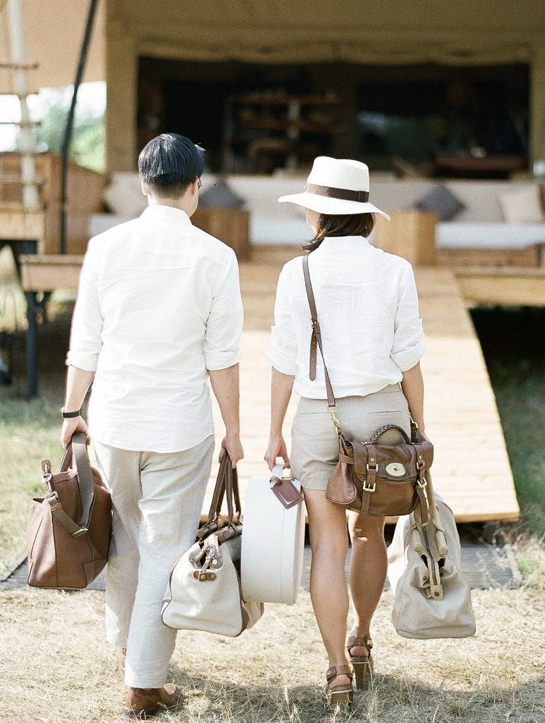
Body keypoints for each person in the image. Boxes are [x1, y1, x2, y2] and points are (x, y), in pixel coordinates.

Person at [62, 134, 244, 718]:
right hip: (179, 426)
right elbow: (223, 355)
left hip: (114, 420)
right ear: (195, 187)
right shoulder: (216, 257)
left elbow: (84, 341)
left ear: (143, 185)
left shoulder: (105, 247)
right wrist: (234, 429)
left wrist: (71, 413)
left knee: (125, 538)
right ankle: (144, 682)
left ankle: (126, 648)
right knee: (165, 547)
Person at [265, 156, 427, 708]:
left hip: (317, 414)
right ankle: (360, 639)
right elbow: (409, 363)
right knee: (369, 535)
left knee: (328, 544)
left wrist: (272, 433)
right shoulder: (395, 270)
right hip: (385, 420)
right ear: (364, 214)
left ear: (318, 214)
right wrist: (419, 433)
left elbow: (284, 360)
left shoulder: (298, 272)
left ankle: (335, 670)